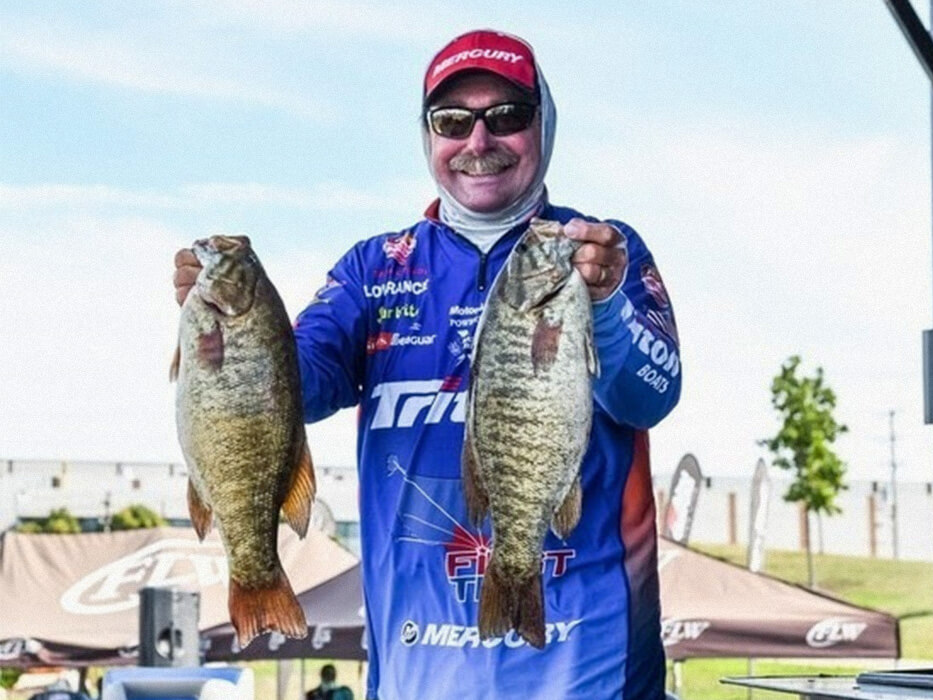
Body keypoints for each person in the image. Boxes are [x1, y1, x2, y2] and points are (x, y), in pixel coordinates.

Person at [174, 29, 681, 700]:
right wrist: (230, 333)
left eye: (507, 116)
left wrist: (611, 299)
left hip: (588, 671)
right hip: (418, 677)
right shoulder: (372, 270)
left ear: (544, 124)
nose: (479, 141)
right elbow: (301, 386)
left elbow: (651, 395)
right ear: (428, 136)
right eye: (452, 120)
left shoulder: (603, 254)